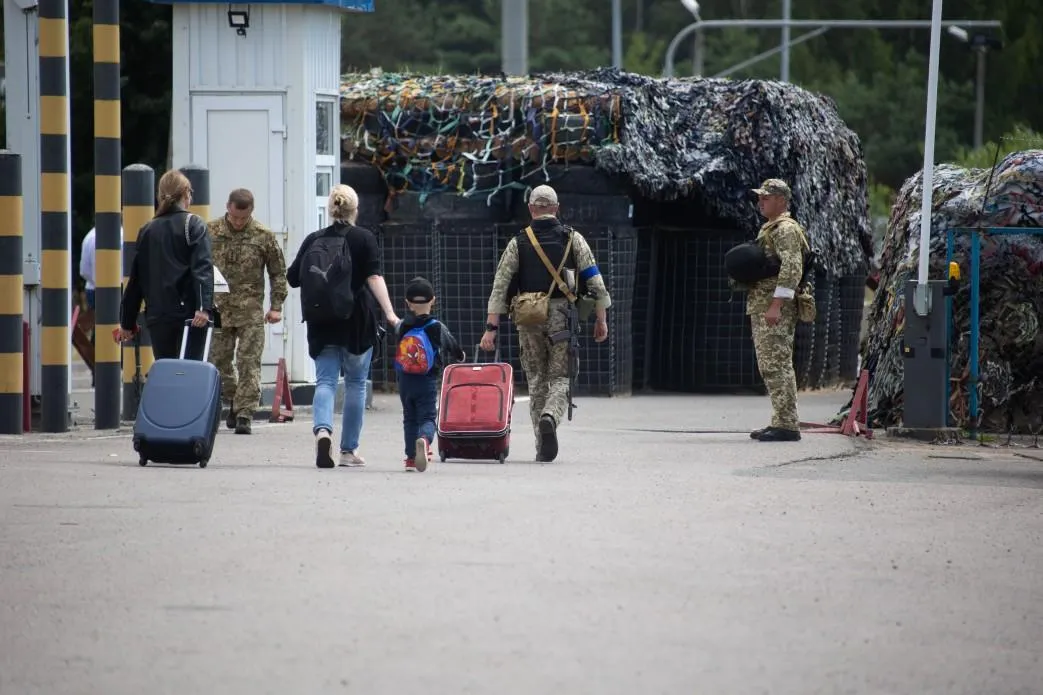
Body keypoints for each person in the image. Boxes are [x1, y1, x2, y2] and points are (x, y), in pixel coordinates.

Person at [480, 184, 611, 462]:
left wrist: (491, 328)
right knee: (562, 376)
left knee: (537, 380)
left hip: (528, 318)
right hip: (562, 317)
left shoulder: (518, 242)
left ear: (530, 209)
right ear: (556, 208)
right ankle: (551, 416)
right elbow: (595, 282)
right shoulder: (574, 239)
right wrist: (601, 319)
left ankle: (542, 445)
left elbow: (500, 287)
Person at [286, 184, 399, 469]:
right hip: (356, 320)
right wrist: (390, 313)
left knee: (325, 381)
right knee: (356, 384)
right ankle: (348, 451)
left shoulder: (314, 239)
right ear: (355, 210)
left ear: (330, 209)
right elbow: (374, 277)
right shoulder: (363, 238)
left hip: (321, 321)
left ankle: (323, 430)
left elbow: (293, 278)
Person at [207, 188, 288, 435]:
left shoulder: (262, 236)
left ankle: (244, 414)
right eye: (235, 217)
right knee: (219, 362)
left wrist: (276, 306)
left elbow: (278, 272)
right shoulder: (211, 232)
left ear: (251, 212)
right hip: (219, 308)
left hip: (251, 311)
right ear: (227, 208)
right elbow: (197, 267)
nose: (239, 222)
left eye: (244, 218)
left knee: (248, 362)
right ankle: (233, 399)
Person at [119, 169, 214, 360]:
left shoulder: (147, 229)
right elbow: (202, 267)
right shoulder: (194, 224)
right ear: (186, 193)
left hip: (158, 316)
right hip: (190, 315)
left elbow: (136, 279)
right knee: (189, 371)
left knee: (167, 371)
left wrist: (127, 322)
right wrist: (203, 307)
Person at [746, 178, 810, 442]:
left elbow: (791, 269)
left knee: (777, 364)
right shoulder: (771, 228)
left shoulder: (784, 229)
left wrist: (776, 305)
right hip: (763, 305)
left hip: (774, 308)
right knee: (770, 364)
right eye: (760, 198)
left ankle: (787, 424)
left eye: (766, 197)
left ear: (781, 201)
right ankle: (781, 419)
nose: (761, 202)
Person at [393, 276, 465, 472]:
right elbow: (452, 345)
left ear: (407, 302)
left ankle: (409, 458)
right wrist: (460, 355)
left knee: (409, 418)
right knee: (427, 418)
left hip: (405, 380)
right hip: (426, 380)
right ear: (433, 299)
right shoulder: (436, 326)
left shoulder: (401, 326)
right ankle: (424, 439)